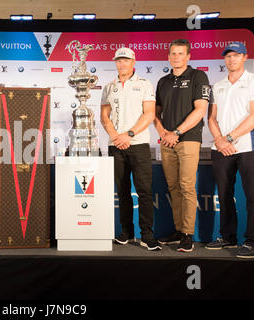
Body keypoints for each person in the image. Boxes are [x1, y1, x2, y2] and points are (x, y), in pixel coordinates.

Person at [206, 42, 254, 258]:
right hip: (220, 148)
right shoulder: (218, 85)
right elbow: (211, 118)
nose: (231, 59)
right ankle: (228, 237)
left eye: (236, 55)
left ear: (245, 57)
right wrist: (219, 140)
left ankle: (253, 242)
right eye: (228, 56)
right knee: (224, 195)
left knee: (253, 197)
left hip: (247, 148)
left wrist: (229, 138)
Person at [100, 47, 160, 251]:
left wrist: (129, 135)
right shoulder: (109, 86)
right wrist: (116, 137)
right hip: (116, 145)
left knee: (144, 191)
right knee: (122, 191)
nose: (122, 64)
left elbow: (149, 114)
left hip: (139, 144)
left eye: (125, 60)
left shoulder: (144, 84)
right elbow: (104, 116)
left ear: (134, 62)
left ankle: (146, 235)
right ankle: (126, 232)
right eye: (118, 60)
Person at [154, 39, 210, 252]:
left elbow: (200, 110)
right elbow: (155, 113)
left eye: (180, 53)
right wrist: (162, 133)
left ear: (188, 56)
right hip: (167, 140)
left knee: (186, 186)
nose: (176, 57)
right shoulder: (163, 81)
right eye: (173, 53)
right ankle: (179, 230)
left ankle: (187, 234)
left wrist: (176, 132)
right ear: (168, 56)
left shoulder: (198, 76)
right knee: (174, 187)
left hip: (188, 139)